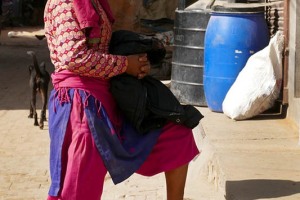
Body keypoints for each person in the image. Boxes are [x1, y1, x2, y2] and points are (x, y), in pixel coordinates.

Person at [44, 0, 200, 200]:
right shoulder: (64, 2)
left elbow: (100, 50)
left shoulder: (95, 2)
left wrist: (137, 63)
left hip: (104, 98)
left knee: (176, 134)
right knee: (79, 189)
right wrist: (125, 65)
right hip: (81, 107)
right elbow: (74, 58)